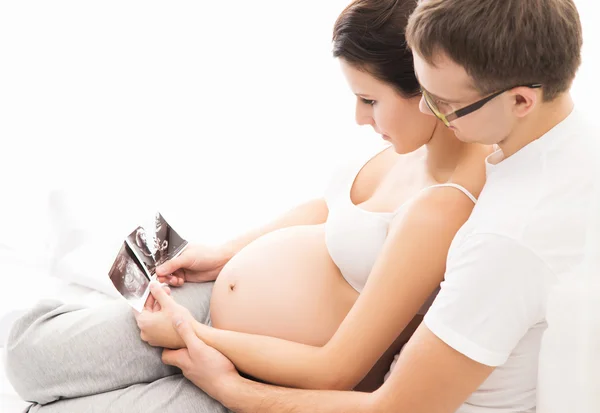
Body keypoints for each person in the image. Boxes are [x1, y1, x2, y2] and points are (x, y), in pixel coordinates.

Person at [5, 0, 489, 411]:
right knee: (28, 350)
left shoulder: (444, 208)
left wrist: (185, 334)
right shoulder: (413, 146)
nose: (359, 117)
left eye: (369, 100)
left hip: (257, 368)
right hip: (209, 313)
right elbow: (334, 208)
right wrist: (224, 252)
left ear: (426, 89)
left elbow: (338, 368)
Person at [146, 0, 597, 412]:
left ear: (521, 100)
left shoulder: (505, 237)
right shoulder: (551, 147)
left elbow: (394, 405)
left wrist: (226, 384)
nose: (429, 114)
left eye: (444, 104)